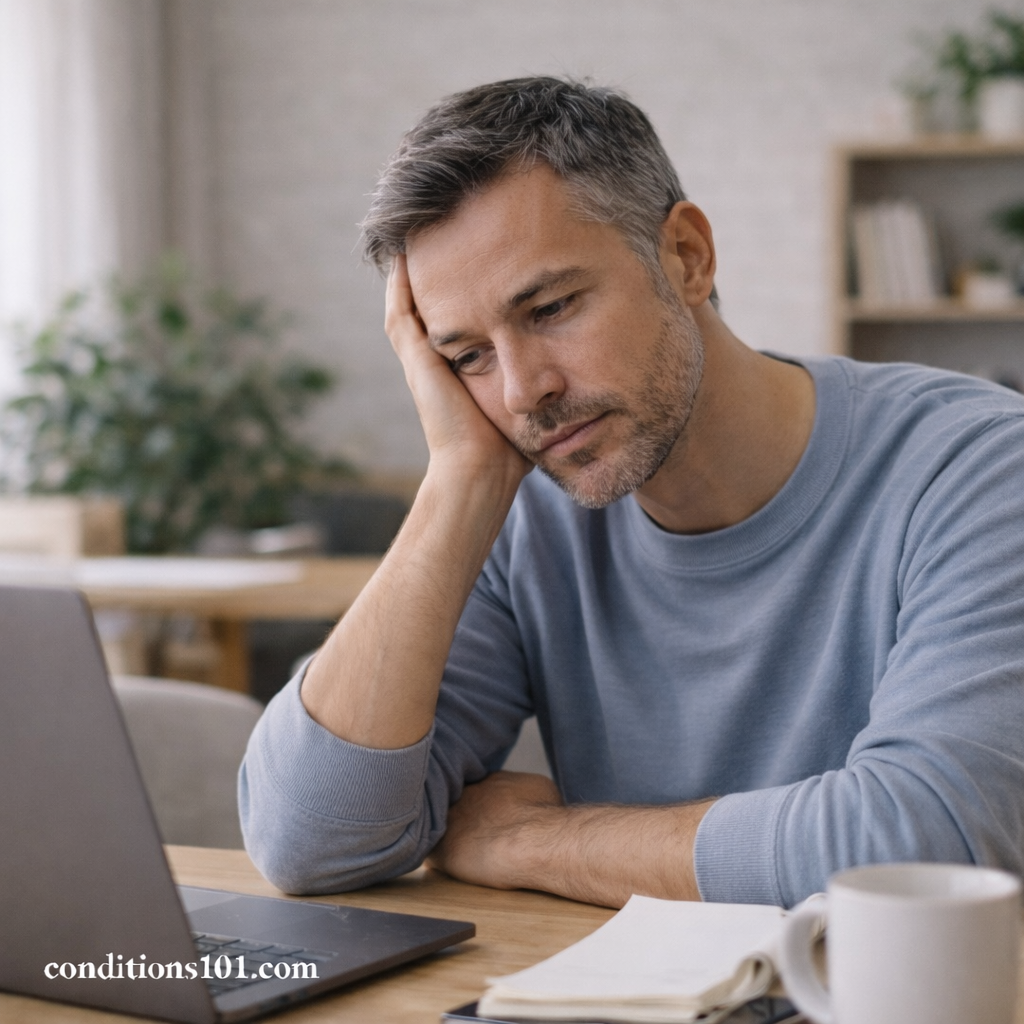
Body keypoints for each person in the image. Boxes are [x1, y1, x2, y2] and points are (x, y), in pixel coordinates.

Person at [239, 77, 1024, 909]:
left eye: (549, 308)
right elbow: (306, 840)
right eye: (467, 355)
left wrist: (529, 840)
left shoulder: (978, 469)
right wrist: (458, 483)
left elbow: (924, 845)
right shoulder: (522, 510)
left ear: (686, 256)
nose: (521, 392)